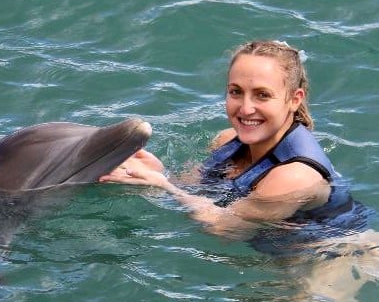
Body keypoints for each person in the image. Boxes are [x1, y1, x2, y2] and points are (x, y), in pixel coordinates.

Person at [99, 40, 336, 237]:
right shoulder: (227, 140)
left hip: (324, 263)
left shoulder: (294, 175)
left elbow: (225, 229)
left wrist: (164, 185)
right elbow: (195, 190)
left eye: (262, 95)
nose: (245, 108)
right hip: (272, 261)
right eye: (236, 92)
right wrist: (160, 173)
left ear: (295, 99)